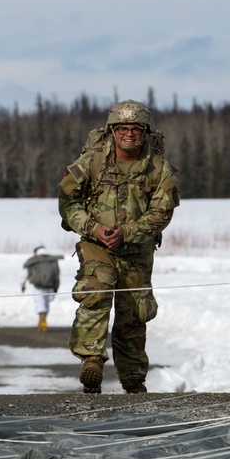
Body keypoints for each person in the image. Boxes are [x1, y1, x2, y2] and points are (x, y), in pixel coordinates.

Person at [58, 100, 179, 394]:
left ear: (145, 132)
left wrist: (128, 232)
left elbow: (162, 212)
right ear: (113, 131)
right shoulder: (93, 161)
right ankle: (91, 361)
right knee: (95, 294)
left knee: (134, 313)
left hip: (137, 250)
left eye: (135, 129)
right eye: (123, 129)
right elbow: (68, 202)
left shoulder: (158, 167)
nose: (129, 135)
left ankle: (133, 377)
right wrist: (94, 229)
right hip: (96, 245)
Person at [22, 241, 63, 332]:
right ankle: (43, 323)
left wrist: (24, 284)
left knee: (40, 305)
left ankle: (42, 324)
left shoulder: (33, 260)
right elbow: (57, 275)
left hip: (38, 287)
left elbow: (26, 273)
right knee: (46, 305)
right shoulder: (52, 259)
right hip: (50, 287)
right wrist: (56, 287)